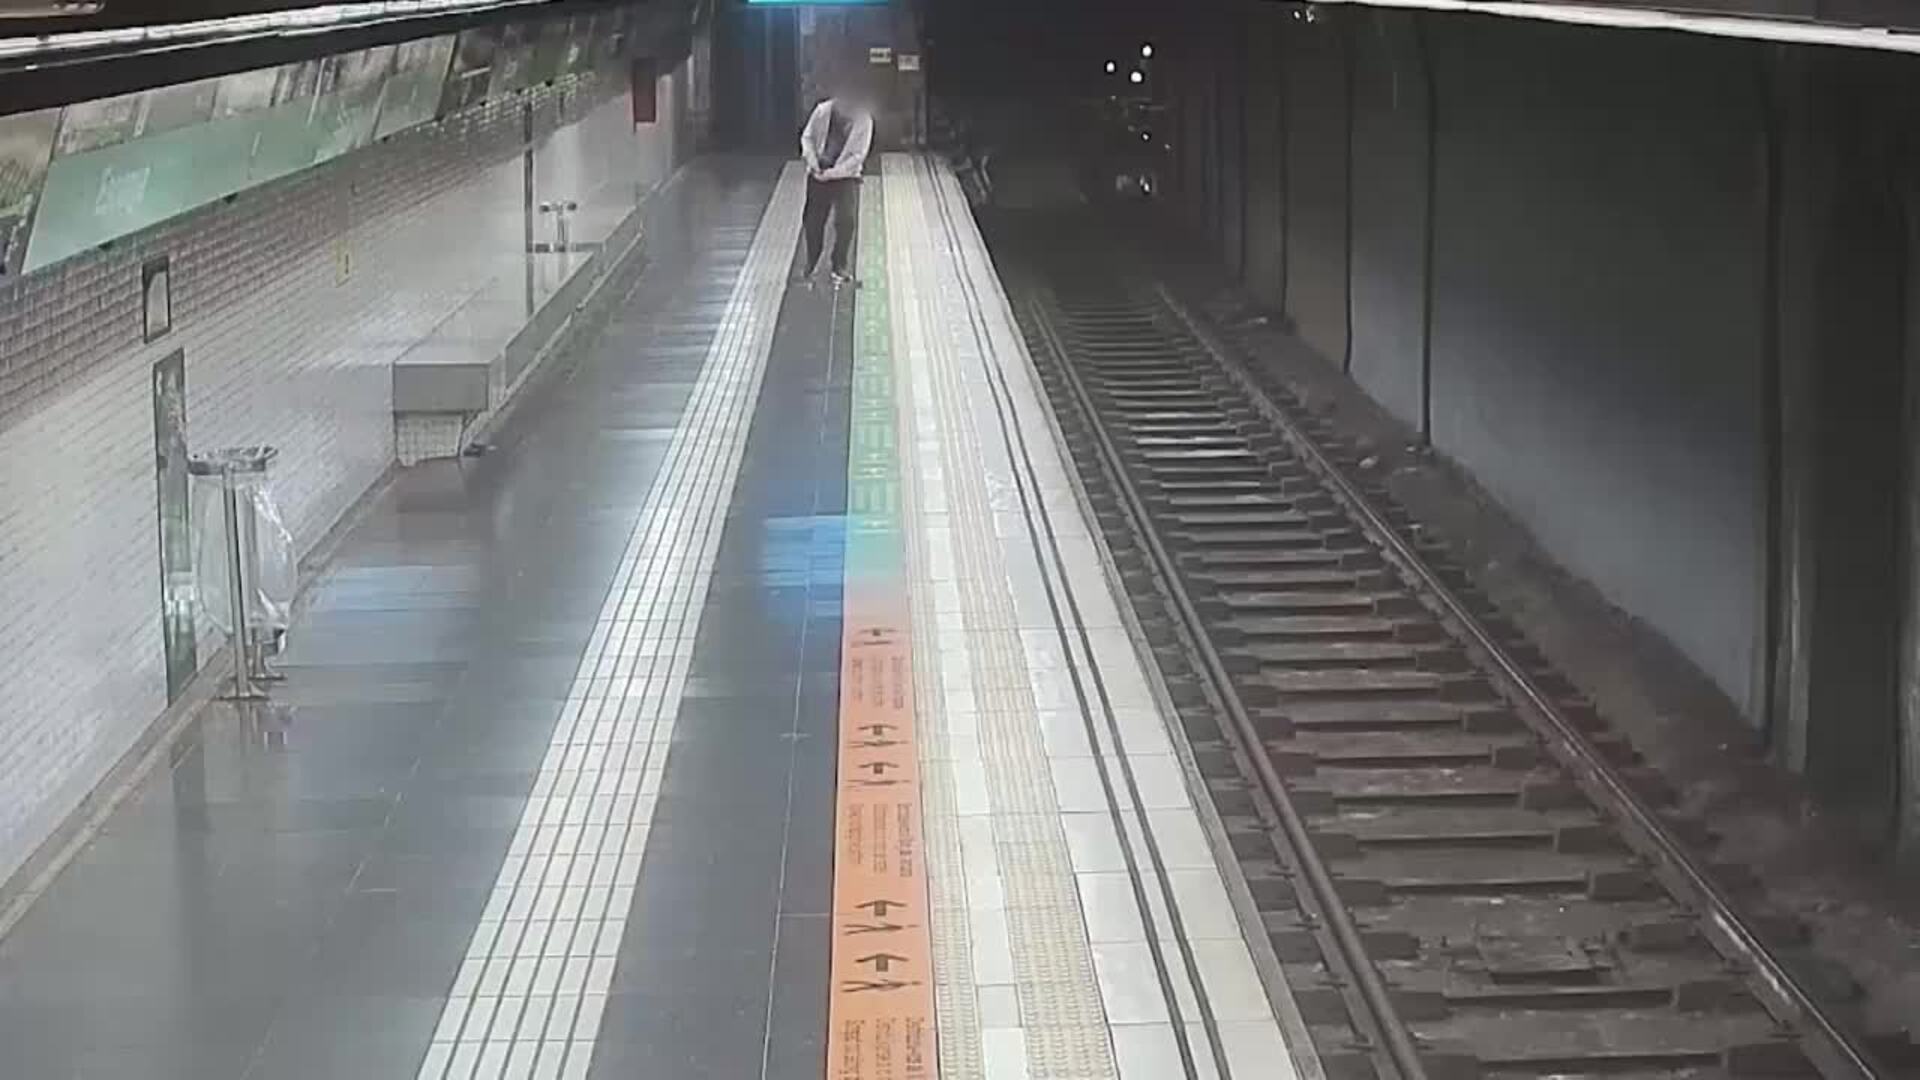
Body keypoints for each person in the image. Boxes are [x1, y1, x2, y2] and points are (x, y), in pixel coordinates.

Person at [798, 89, 874, 288]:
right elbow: (807, 137)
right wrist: (813, 161)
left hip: (846, 177)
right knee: (813, 221)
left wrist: (832, 174)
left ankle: (839, 265)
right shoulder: (822, 111)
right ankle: (812, 260)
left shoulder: (864, 120)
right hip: (818, 171)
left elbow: (858, 156)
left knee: (846, 220)